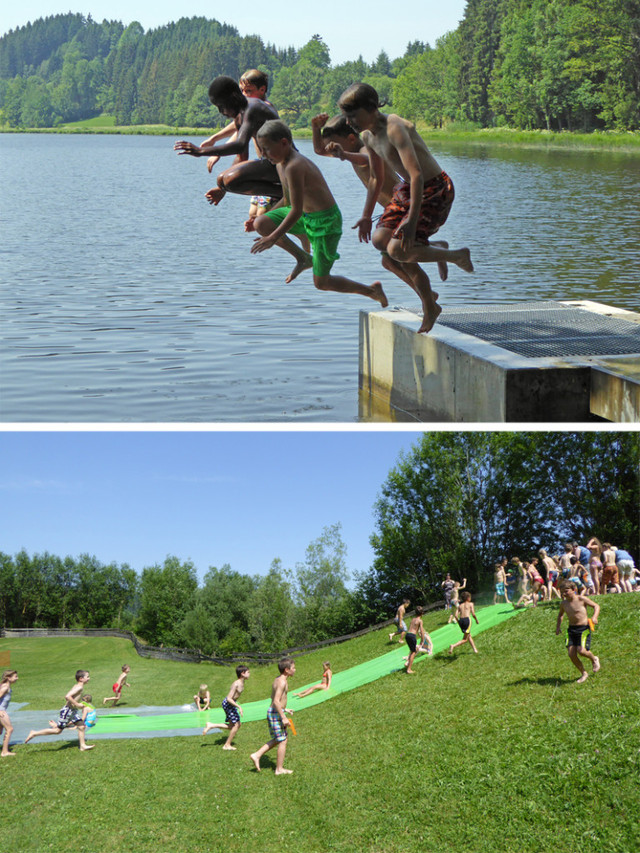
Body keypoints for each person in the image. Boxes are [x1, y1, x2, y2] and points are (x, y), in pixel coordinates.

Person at [338, 83, 473, 333]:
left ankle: (454, 258)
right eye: (346, 117)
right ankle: (432, 291)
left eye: (352, 116)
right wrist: (367, 216)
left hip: (434, 189)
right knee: (381, 241)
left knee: (398, 248)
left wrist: (411, 222)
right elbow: (376, 178)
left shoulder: (394, 128)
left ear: (370, 109)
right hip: (408, 189)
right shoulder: (368, 136)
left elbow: (417, 174)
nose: (349, 123)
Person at [250, 119, 389, 307]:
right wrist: (266, 220)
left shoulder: (294, 166)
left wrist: (274, 237)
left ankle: (372, 291)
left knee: (322, 282)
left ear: (284, 143)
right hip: (305, 216)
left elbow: (296, 210)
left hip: (325, 222)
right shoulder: (280, 165)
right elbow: (288, 202)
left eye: (266, 149)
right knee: (261, 224)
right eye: (261, 149)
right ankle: (303, 257)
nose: (264, 155)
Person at [312, 112, 449, 298]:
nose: (332, 151)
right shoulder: (349, 151)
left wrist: (344, 154)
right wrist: (315, 128)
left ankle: (429, 293)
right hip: (391, 210)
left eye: (335, 145)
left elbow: (366, 160)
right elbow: (319, 150)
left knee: (396, 258)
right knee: (390, 262)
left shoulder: (364, 150)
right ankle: (433, 268)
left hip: (403, 207)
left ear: (351, 138)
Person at [174, 76, 282, 207]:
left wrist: (201, 151)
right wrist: (222, 189)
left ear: (233, 98)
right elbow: (241, 157)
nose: (221, 112)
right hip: (272, 165)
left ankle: (282, 193)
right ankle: (279, 192)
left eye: (221, 106)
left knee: (225, 180)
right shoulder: (240, 117)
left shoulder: (252, 108)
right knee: (223, 180)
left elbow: (240, 145)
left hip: (284, 163)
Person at [25, 670, 95, 750]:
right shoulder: (79, 687)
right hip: (68, 711)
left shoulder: (78, 686)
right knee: (57, 731)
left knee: (82, 726)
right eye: (87, 677)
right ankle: (34, 733)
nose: (89, 678)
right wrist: (77, 704)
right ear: (81, 678)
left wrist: (79, 704)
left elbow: (73, 697)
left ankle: (82, 746)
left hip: (73, 711)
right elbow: (68, 696)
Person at [250, 657, 296, 775]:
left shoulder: (277, 679)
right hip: (276, 713)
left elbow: (276, 699)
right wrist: (283, 717)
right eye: (293, 668)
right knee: (283, 740)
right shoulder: (282, 682)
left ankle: (257, 755)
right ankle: (279, 769)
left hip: (275, 712)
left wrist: (285, 709)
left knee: (278, 739)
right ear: (287, 670)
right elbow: (276, 701)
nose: (295, 670)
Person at [555, 580, 600, 684]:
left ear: (574, 590)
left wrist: (594, 617)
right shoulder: (564, 603)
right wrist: (558, 627)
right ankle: (584, 673)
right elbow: (560, 615)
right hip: (571, 630)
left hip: (583, 629)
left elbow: (596, 606)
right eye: (562, 592)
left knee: (582, 651)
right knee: (571, 654)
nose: (564, 594)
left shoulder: (581, 599)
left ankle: (594, 659)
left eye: (566, 591)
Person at [203, 665, 250, 750]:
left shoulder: (242, 682)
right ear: (242, 673)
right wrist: (239, 706)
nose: (249, 674)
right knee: (237, 724)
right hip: (228, 704)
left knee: (232, 726)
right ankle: (227, 745)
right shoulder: (236, 684)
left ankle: (211, 725)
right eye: (248, 672)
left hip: (231, 704)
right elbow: (229, 698)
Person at [404, 606, 432, 673]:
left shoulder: (413, 619)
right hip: (412, 636)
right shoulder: (420, 621)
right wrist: (422, 640)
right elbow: (421, 631)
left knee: (412, 650)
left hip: (407, 635)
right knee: (413, 652)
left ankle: (407, 663)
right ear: (422, 613)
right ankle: (409, 669)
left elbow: (411, 627)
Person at [0, 670, 18, 757]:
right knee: (9, 729)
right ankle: (4, 752)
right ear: (8, 678)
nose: (17, 678)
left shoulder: (6, 686)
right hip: (1, 711)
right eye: (15, 676)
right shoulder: (5, 688)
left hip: (2, 710)